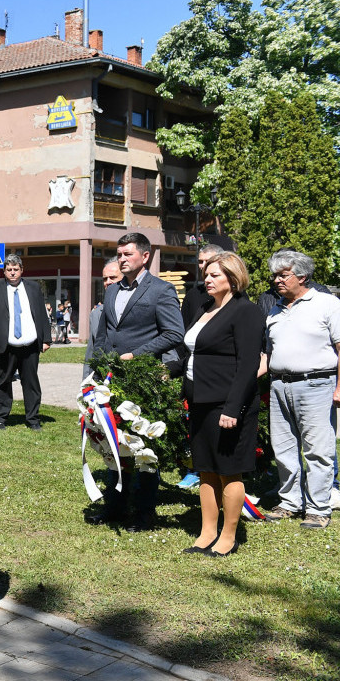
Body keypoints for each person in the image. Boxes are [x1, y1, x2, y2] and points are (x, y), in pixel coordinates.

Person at [90, 232, 185, 531]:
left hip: (144, 380)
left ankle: (143, 514)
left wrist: (136, 355)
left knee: (143, 448)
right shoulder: (111, 290)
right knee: (113, 445)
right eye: (119, 254)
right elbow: (106, 332)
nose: (121, 259)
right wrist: (102, 364)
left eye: (127, 254)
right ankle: (114, 506)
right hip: (112, 379)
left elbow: (173, 333)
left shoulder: (161, 290)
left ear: (145, 256)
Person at [171, 252, 264, 556]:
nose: (207, 279)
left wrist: (232, 409)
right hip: (199, 401)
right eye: (207, 274)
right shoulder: (205, 308)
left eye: (215, 275)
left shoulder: (245, 312)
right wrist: (169, 370)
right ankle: (207, 532)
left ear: (233, 278)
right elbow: (195, 354)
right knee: (206, 470)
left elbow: (249, 363)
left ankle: (228, 536)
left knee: (228, 470)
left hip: (228, 405)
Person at [262, 249, 340, 530]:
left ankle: (318, 507)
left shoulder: (327, 304)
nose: (277, 280)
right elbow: (268, 353)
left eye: (283, 275)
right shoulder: (275, 309)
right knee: (283, 448)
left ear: (302, 276)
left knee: (318, 450)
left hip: (317, 385)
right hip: (278, 385)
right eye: (275, 275)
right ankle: (289, 502)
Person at [0, 255, 50, 431]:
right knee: (2, 382)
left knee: (31, 383)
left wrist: (46, 339)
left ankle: (33, 419)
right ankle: (0, 418)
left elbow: (42, 314)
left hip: (30, 345)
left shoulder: (33, 288)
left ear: (22, 270)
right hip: (5, 346)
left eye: (16, 269)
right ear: (4, 271)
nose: (12, 273)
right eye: (9, 270)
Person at [84, 258, 122, 367]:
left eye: (113, 278)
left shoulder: (137, 308)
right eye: (105, 279)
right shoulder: (96, 314)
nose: (108, 282)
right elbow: (91, 352)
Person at [180, 244, 224, 328]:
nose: (203, 265)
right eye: (200, 261)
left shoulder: (236, 295)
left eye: (208, 261)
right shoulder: (192, 295)